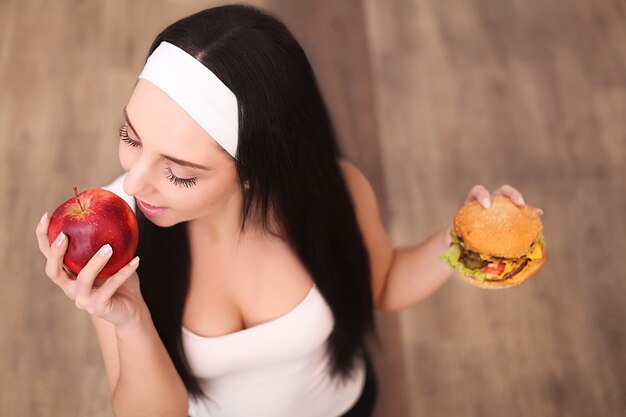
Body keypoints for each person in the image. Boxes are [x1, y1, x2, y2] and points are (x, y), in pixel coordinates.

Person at [34, 4, 544, 417]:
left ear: (258, 168)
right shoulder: (117, 236)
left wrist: (466, 243)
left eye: (180, 172)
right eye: (131, 136)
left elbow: (382, 284)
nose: (133, 183)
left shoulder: (332, 192)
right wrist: (130, 320)